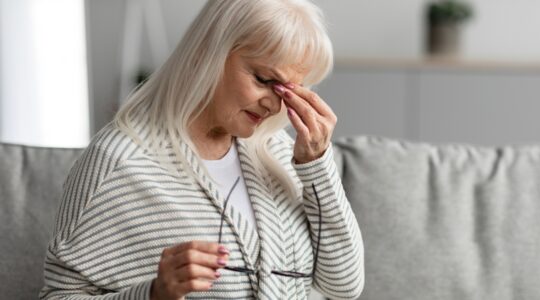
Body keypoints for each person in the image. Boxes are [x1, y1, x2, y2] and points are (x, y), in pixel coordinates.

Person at [39, 0, 364, 299]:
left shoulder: (281, 153)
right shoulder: (118, 163)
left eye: (289, 91)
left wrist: (318, 167)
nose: (275, 105)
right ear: (207, 52)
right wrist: (154, 294)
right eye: (264, 79)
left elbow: (345, 286)